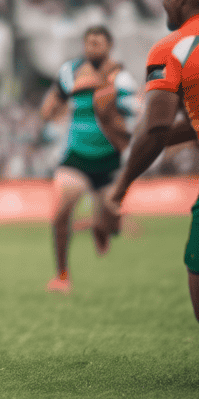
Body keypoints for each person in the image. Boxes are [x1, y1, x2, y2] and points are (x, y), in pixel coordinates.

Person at [99, 0, 199, 350]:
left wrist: (119, 188)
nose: (162, 2)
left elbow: (157, 127)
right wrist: (138, 137)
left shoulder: (172, 47)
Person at [40, 26, 139, 294]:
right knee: (61, 212)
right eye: (89, 43)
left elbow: (134, 112)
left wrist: (110, 99)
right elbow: (51, 105)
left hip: (109, 160)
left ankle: (100, 226)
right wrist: (51, 107)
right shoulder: (70, 73)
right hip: (77, 158)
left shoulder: (122, 78)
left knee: (112, 226)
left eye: (98, 43)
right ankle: (62, 275)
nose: (92, 47)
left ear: (109, 46)